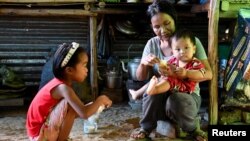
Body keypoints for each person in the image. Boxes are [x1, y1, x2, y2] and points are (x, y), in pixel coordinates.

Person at [130, 0, 212, 141]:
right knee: (152, 89)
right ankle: (145, 128)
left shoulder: (190, 42)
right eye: (157, 27)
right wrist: (144, 64)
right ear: (152, 26)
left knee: (177, 99)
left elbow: (208, 74)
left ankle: (193, 129)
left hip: (186, 97)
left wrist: (186, 74)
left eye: (167, 23)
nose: (162, 30)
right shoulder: (152, 44)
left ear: (174, 20)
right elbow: (140, 77)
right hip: (161, 97)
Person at [26, 42, 112, 141]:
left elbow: (78, 112)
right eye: (84, 65)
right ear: (69, 70)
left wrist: (95, 107)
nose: (86, 70)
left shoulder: (61, 85)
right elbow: (84, 113)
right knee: (70, 104)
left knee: (74, 105)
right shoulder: (63, 88)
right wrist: (100, 100)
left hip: (39, 132)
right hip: (40, 135)